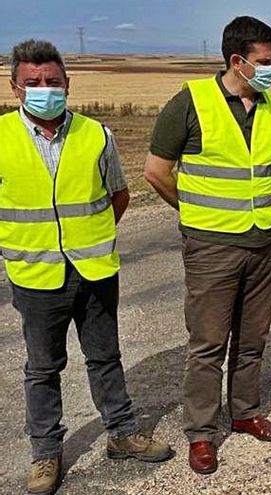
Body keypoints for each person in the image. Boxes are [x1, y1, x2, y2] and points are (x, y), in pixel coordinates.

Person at [1, 39, 171, 494]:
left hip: (94, 268)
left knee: (105, 356)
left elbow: (119, 194)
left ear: (68, 85)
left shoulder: (96, 134)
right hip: (35, 273)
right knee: (42, 367)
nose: (44, 90)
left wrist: (87, 239)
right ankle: (45, 454)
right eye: (33, 83)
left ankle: (121, 434)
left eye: (52, 82)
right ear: (16, 88)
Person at [143, 16, 271, 474]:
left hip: (264, 240)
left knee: (252, 338)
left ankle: (245, 413)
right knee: (207, 343)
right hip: (211, 246)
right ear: (237, 61)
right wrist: (193, 216)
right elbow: (155, 171)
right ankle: (202, 434)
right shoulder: (190, 103)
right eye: (265, 62)